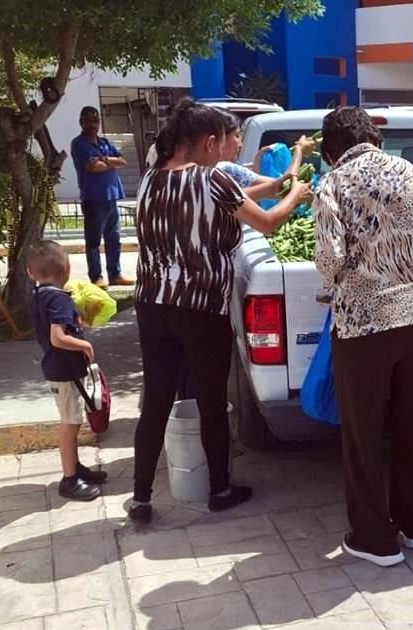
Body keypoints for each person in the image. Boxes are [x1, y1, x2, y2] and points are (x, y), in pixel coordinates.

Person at [128, 99, 310, 524]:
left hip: (152, 303)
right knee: (211, 399)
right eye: (225, 141)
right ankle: (220, 490)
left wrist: (280, 180)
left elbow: (238, 199)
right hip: (199, 305)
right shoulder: (211, 180)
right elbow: (266, 223)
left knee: (155, 399)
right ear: (209, 142)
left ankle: (140, 499)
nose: (230, 148)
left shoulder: (151, 179)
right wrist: (296, 194)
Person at [313, 106, 413, 567]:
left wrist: (328, 288)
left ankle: (375, 537)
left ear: (332, 149)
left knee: (364, 433)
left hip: (368, 324)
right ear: (372, 137)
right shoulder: (408, 170)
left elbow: (330, 258)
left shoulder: (333, 183)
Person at [26, 240, 107, 500]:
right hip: (65, 370)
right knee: (70, 424)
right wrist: (85, 343)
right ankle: (69, 479)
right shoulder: (59, 300)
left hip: (59, 368)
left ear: (30, 272)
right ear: (69, 268)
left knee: (72, 420)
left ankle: (76, 467)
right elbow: (57, 337)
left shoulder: (40, 295)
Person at [70, 106, 132, 290]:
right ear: (81, 122)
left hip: (112, 197)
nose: (92, 124)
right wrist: (109, 162)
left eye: (95, 120)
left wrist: (104, 158)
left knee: (114, 239)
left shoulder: (104, 142)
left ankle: (115, 274)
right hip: (93, 199)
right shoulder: (79, 143)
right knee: (94, 242)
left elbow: (122, 161)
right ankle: (96, 276)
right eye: (88, 120)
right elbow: (92, 167)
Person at [213, 108, 315, 199]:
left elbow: (254, 190)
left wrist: (258, 160)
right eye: (237, 135)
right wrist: (299, 151)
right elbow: (284, 187)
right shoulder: (224, 169)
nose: (241, 144)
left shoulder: (202, 172)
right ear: (221, 138)